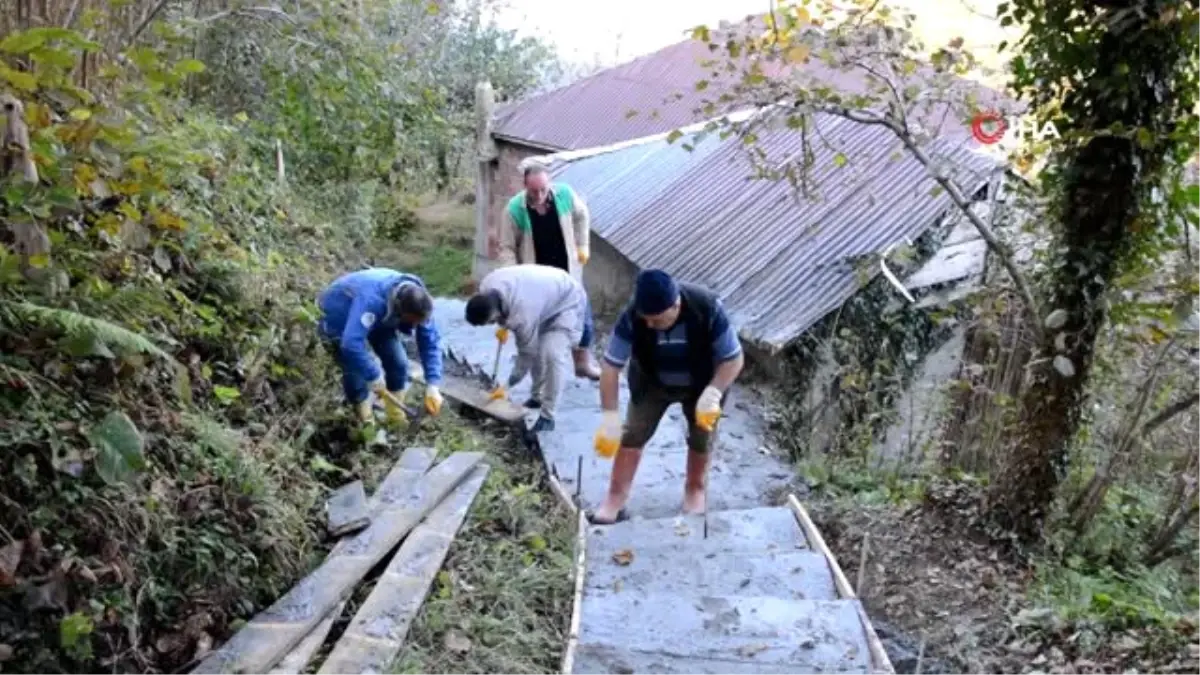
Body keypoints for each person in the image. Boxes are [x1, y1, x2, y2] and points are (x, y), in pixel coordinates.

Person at [589, 270, 745, 524]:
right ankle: (615, 497)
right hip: (651, 381)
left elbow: (734, 358)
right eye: (646, 319)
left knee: (701, 436)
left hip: (702, 382)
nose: (649, 324)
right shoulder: (633, 314)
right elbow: (610, 367)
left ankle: (695, 489)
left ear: (675, 306)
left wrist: (714, 391)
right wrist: (609, 416)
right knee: (633, 433)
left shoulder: (706, 306)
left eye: (656, 320)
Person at [498, 158, 601, 380]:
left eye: (543, 189)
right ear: (525, 186)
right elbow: (506, 248)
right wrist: (513, 278)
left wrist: (583, 245)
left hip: (567, 273)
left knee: (583, 317)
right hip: (537, 279)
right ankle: (542, 376)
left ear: (550, 183)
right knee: (542, 326)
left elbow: (582, 216)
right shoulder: (514, 210)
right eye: (533, 190)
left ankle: (582, 363)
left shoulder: (564, 194)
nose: (538, 195)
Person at [464, 264, 589, 433]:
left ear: (494, 313)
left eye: (491, 322)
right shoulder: (487, 285)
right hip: (543, 295)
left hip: (566, 300)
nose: (492, 325)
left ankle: (548, 416)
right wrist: (504, 325)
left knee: (552, 354)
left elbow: (526, 355)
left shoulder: (522, 312)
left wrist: (507, 385)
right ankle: (537, 397)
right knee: (537, 350)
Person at [317, 268, 444, 423]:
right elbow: (350, 343)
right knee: (355, 369)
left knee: (399, 363)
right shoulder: (372, 300)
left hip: (379, 318)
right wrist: (373, 375)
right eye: (413, 322)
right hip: (338, 313)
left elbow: (430, 342)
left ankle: (395, 415)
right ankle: (364, 417)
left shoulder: (420, 304)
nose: (416, 325)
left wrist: (433, 384)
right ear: (401, 312)